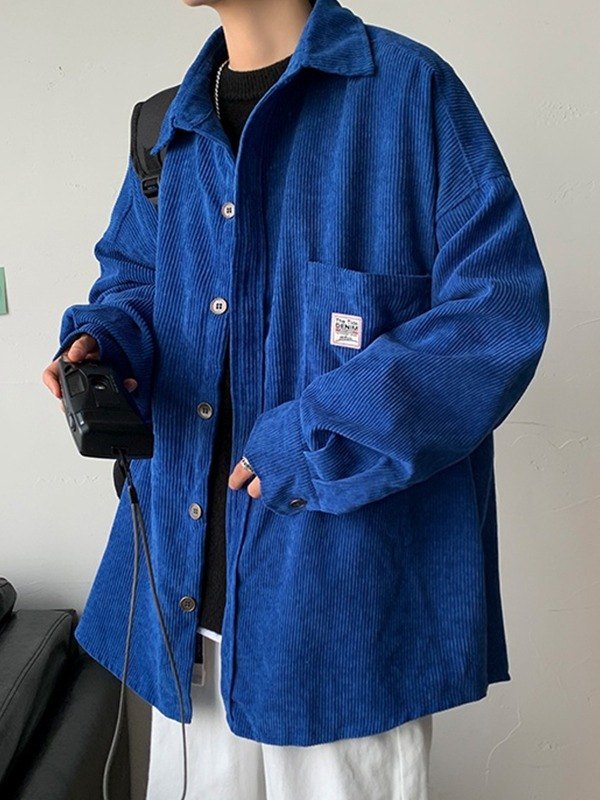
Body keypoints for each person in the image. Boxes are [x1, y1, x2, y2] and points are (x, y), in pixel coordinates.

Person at [42, 0, 550, 798]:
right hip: (186, 611)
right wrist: (106, 342)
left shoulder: (409, 94)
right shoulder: (167, 125)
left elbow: (496, 315)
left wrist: (312, 435)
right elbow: (135, 279)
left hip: (343, 624)